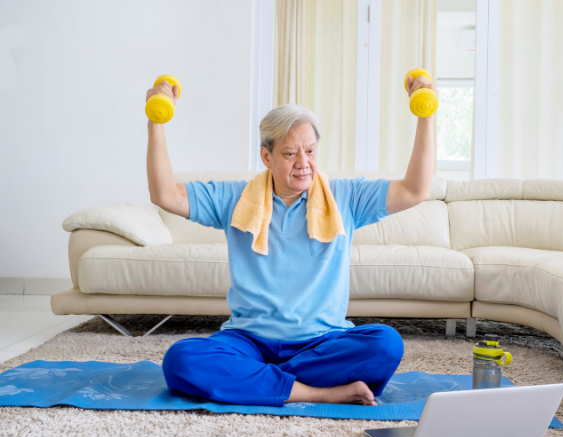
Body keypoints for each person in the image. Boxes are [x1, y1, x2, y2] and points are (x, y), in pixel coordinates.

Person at [145, 76, 438, 407]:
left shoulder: (347, 197)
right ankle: (319, 393)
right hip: (248, 340)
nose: (304, 163)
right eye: (289, 153)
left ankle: (257, 379)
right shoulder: (235, 198)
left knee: (385, 344)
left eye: (310, 151)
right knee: (180, 359)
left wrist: (425, 115)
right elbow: (165, 194)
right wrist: (156, 121)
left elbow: (415, 190)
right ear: (266, 157)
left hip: (320, 342)